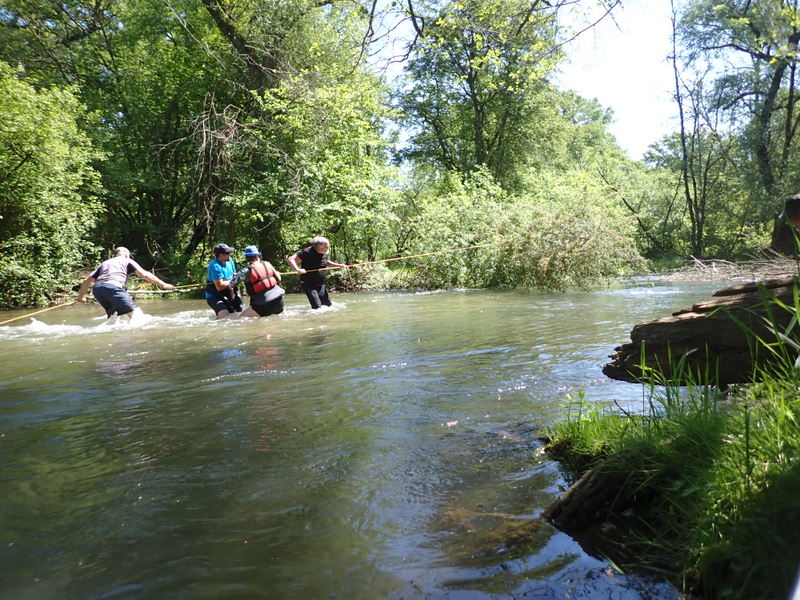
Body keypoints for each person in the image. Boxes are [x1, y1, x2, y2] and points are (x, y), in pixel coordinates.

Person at [76, 246, 174, 319]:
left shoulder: (105, 263)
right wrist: (163, 284)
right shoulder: (127, 261)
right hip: (114, 288)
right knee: (136, 317)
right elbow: (144, 274)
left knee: (114, 317)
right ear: (127, 255)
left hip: (97, 290)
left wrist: (80, 297)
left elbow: (87, 280)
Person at [287, 236, 346, 309]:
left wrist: (338, 265)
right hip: (308, 283)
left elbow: (326, 262)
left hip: (320, 283)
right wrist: (297, 269)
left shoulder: (324, 252)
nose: (328, 248)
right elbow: (291, 259)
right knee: (317, 307)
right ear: (319, 246)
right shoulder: (307, 252)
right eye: (326, 247)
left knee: (327, 306)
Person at [230, 245, 285, 318]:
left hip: (262, 305)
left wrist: (236, 276)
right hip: (278, 301)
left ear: (246, 258)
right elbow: (278, 279)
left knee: (239, 319)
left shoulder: (245, 271)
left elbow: (231, 284)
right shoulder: (267, 264)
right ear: (258, 256)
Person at [206, 243, 243, 318]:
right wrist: (235, 280)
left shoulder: (230, 261)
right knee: (225, 315)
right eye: (228, 253)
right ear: (221, 255)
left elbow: (234, 275)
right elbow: (219, 286)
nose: (230, 254)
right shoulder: (214, 265)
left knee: (240, 312)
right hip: (215, 295)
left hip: (229, 291)